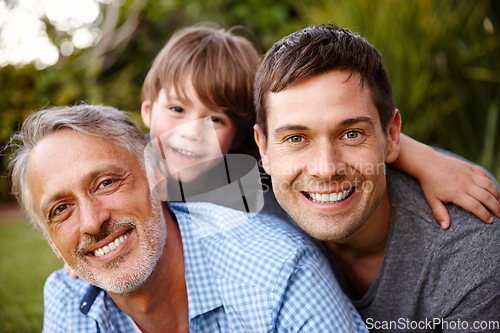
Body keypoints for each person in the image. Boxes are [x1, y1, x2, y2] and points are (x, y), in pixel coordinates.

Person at [9, 104, 369, 332]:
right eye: (61, 209)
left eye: (106, 183)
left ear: (157, 176)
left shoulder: (278, 271)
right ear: (53, 244)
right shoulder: (69, 298)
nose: (90, 222)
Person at [253, 24, 500, 332]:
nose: (326, 169)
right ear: (262, 148)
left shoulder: (469, 250)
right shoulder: (247, 196)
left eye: (352, 134)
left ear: (392, 135)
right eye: (295, 138)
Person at [140, 23, 499, 229]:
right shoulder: (128, 166)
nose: (190, 131)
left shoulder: (256, 175)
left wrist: (428, 161)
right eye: (175, 108)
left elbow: (337, 125)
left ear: (242, 134)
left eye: (216, 119)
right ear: (146, 109)